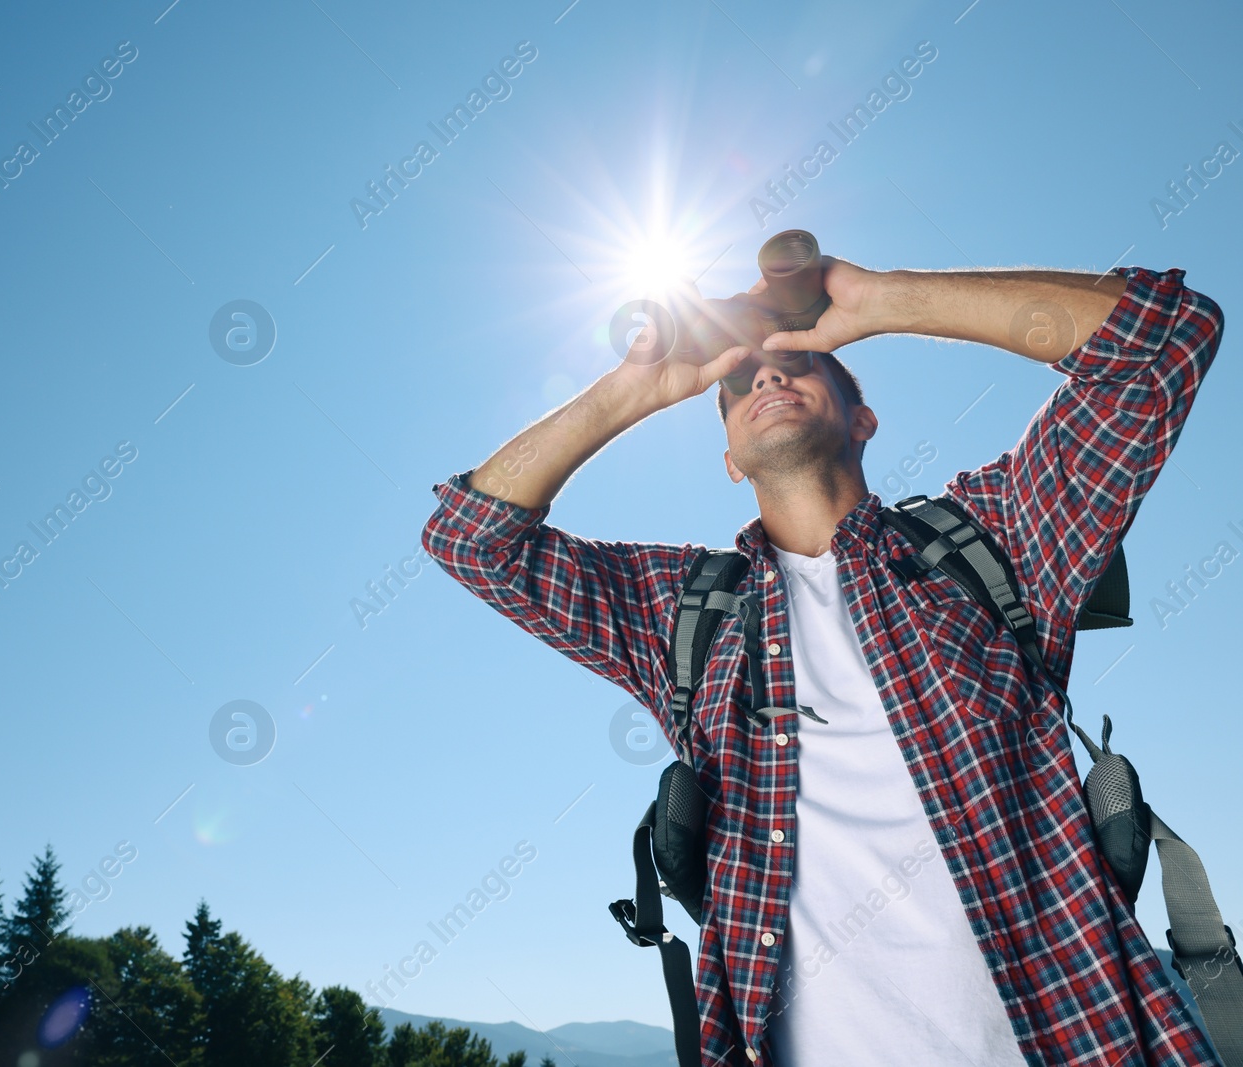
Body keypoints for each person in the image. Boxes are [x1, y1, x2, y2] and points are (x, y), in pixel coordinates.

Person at [420, 252, 1224, 1066]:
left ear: (863, 417)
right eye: (737, 384)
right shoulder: (682, 614)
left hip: (1077, 1041)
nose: (765, 378)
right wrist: (638, 388)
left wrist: (879, 300)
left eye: (797, 363)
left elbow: (1166, 340)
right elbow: (470, 539)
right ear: (730, 458)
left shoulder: (995, 539)